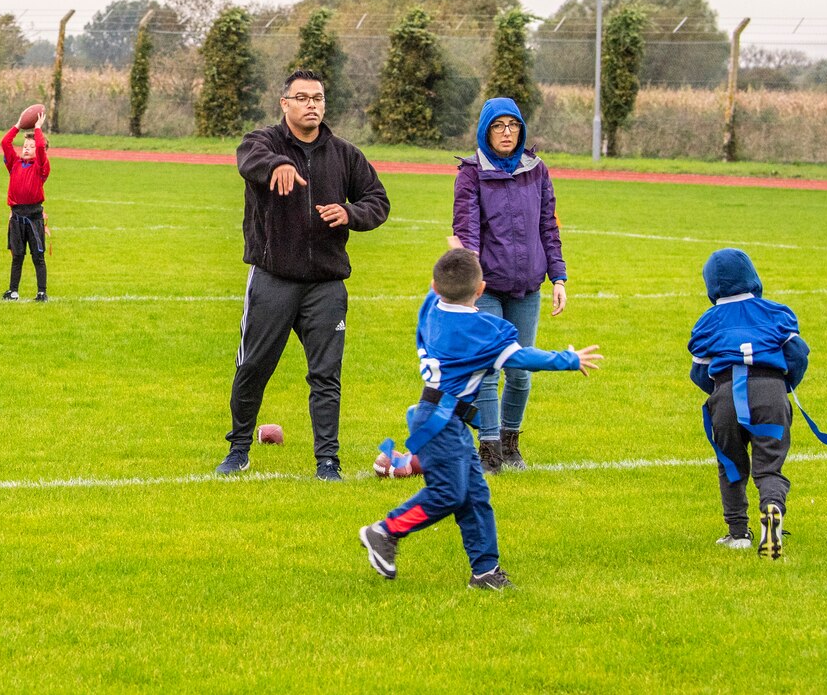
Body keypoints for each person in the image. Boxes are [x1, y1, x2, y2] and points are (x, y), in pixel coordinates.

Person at [358, 248, 600, 588]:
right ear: (481, 290)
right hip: (443, 424)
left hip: (437, 417)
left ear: (435, 285)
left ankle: (485, 571)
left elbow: (443, 285)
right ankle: (385, 531)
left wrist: (453, 252)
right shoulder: (482, 329)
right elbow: (523, 357)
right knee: (449, 494)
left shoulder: (430, 308)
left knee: (474, 496)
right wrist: (569, 359)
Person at [221, 70, 390, 480]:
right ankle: (239, 449)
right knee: (254, 367)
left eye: (318, 97)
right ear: (285, 104)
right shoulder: (262, 142)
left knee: (326, 375)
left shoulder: (344, 154)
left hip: (326, 284)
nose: (311, 104)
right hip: (273, 279)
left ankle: (328, 461)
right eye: (302, 98)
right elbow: (250, 158)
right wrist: (277, 164)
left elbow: (378, 201)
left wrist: (350, 213)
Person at [688, 247, 827, 559]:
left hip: (725, 396)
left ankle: (737, 534)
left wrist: (719, 390)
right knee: (769, 465)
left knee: (731, 464)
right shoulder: (777, 312)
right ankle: (772, 508)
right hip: (771, 393)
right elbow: (798, 355)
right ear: (752, 277)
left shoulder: (706, 322)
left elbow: (699, 372)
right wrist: (784, 385)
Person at [450, 97, 568, 473]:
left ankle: (510, 442)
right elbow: (466, 229)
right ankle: (488, 452)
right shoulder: (471, 173)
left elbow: (548, 226)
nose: (506, 132)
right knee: (488, 369)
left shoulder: (537, 170)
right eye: (498, 126)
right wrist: (470, 282)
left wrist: (559, 278)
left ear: (522, 129)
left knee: (519, 370)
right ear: (485, 130)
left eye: (513, 125)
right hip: (486, 288)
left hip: (528, 287)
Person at [0, 119, 50, 301]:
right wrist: (18, 125)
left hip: (34, 217)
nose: (27, 148)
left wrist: (37, 128)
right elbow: (5, 143)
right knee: (17, 256)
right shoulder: (14, 163)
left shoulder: (41, 167)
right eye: (25, 145)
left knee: (38, 256)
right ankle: (13, 291)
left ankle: (41, 292)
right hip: (17, 216)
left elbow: (41, 148)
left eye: (31, 146)